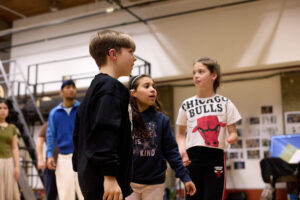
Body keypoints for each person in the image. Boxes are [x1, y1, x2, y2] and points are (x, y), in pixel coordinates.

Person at [72, 30, 136, 200]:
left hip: (91, 175)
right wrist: (109, 176)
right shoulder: (111, 87)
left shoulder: (94, 88)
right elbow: (104, 132)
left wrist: (81, 168)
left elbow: (78, 134)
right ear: (113, 54)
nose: (134, 58)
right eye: (130, 52)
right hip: (104, 180)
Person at [176, 57, 242, 200]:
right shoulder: (186, 104)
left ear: (213, 75)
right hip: (192, 157)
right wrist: (182, 151)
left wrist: (231, 137)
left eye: (201, 71)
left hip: (215, 156)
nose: (196, 76)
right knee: (193, 197)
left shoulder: (225, 102)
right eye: (194, 72)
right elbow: (181, 135)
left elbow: (233, 133)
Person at [126, 74, 196, 200]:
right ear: (133, 93)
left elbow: (171, 152)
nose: (153, 89)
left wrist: (185, 177)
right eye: (146, 86)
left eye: (153, 86)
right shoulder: (124, 119)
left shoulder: (161, 120)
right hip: (129, 183)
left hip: (155, 184)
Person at [46, 79, 83, 200]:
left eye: (73, 87)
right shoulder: (54, 113)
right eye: (67, 87)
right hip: (64, 158)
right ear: (61, 92)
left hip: (83, 157)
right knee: (65, 195)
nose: (71, 89)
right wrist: (50, 155)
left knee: (86, 194)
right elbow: (51, 135)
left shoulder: (83, 109)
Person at [0, 98, 20, 200]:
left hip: (8, 163)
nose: (2, 110)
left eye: (5, 108)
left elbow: (15, 148)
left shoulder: (12, 127)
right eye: (0, 108)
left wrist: (17, 166)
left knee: (9, 193)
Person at [36, 122, 58, 200]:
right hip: (50, 165)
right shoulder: (48, 125)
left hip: (68, 164)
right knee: (50, 194)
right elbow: (39, 141)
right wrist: (40, 159)